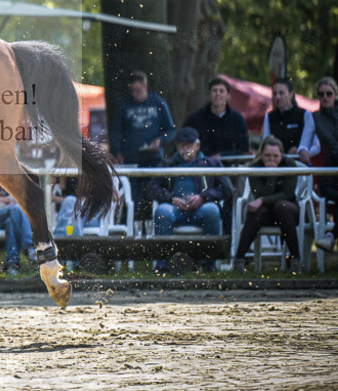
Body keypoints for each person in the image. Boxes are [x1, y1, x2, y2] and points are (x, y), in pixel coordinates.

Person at [147, 127, 230, 274]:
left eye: (189, 145)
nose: (185, 149)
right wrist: (171, 198)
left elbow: (226, 189)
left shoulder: (211, 163)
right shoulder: (167, 164)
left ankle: (208, 264)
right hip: (174, 209)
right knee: (162, 211)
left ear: (197, 146)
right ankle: (162, 265)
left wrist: (204, 197)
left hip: (201, 209)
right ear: (177, 146)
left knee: (212, 210)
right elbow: (152, 188)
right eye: (181, 145)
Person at [110, 70, 176, 222]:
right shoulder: (124, 105)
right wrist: (118, 151)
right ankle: (131, 228)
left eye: (138, 90)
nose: (135, 94)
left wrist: (160, 140)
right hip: (131, 158)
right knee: (132, 196)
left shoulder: (158, 102)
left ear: (146, 86)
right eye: (132, 90)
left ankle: (158, 223)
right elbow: (116, 132)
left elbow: (171, 130)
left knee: (157, 192)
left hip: (154, 158)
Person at [232, 136, 301, 272]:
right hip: (265, 213)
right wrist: (271, 175)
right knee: (257, 211)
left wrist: (263, 200)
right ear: (261, 155)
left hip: (289, 212)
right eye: (267, 156)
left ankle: (295, 259)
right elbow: (259, 194)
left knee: (281, 206)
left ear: (282, 154)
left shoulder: (290, 165)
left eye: (275, 156)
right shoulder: (254, 168)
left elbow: (287, 194)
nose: (271, 159)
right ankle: (239, 259)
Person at [182, 76, 250, 160]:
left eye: (221, 91)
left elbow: (244, 149)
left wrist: (222, 156)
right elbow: (182, 142)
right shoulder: (194, 118)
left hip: (229, 167)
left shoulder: (237, 120)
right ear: (210, 94)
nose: (218, 94)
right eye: (214, 90)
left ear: (228, 95)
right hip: (201, 166)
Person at [262, 77, 318, 166]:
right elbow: (265, 143)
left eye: (281, 93)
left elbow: (316, 146)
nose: (277, 97)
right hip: (277, 166)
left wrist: (300, 151)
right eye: (275, 93)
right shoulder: (269, 117)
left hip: (299, 166)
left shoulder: (304, 115)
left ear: (291, 94)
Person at [312, 76, 338, 251]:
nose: (325, 97)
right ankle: (331, 237)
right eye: (321, 94)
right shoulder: (313, 118)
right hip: (329, 171)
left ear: (336, 95)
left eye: (329, 93)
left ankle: (331, 236)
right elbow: (307, 143)